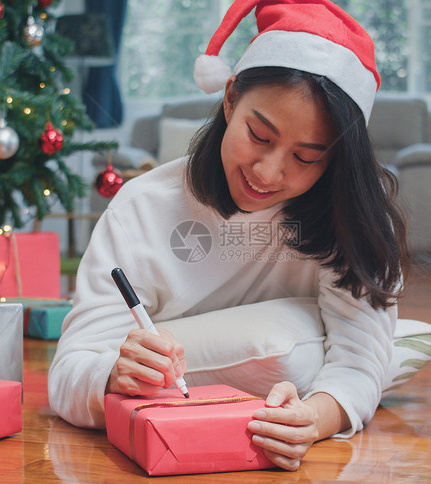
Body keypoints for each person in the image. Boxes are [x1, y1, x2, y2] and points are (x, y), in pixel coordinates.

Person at [48, 0, 408, 471]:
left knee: (312, 346)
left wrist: (311, 419)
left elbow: (359, 363)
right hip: (155, 433)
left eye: (306, 158)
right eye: (259, 135)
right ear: (231, 97)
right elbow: (67, 376)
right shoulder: (143, 206)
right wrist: (114, 373)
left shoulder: (352, 218)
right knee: (297, 345)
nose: (268, 172)